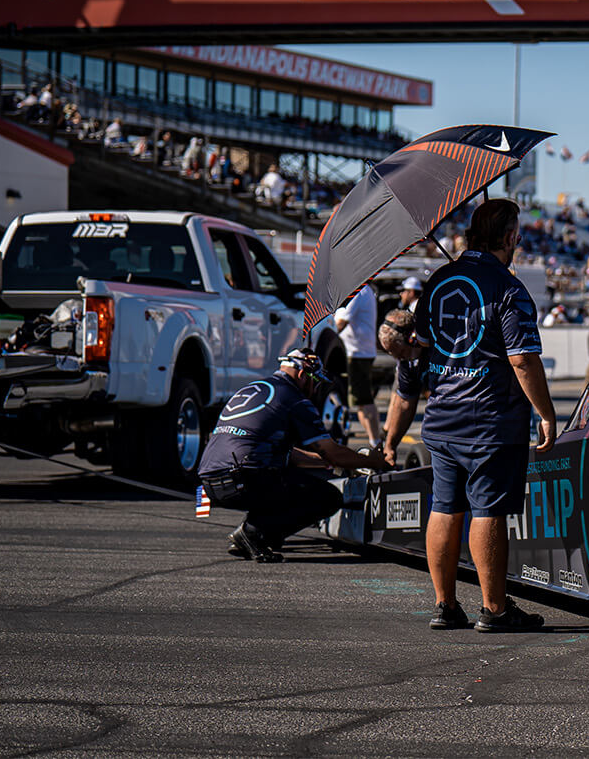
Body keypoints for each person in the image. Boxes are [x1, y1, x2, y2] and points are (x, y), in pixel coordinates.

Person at [381, 198, 557, 632]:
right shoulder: (508, 288)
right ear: (512, 236)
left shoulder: (438, 279)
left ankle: (445, 605)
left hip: (441, 417)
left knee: (444, 507)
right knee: (487, 512)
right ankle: (494, 609)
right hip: (490, 420)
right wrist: (547, 413)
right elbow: (522, 360)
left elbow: (420, 344)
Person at [196, 348, 390, 562]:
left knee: (281, 474)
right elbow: (332, 452)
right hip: (242, 477)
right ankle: (253, 534)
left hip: (209, 481)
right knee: (328, 497)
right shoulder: (294, 399)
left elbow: (284, 452)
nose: (315, 389)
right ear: (302, 375)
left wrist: (322, 463)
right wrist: (373, 460)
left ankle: (260, 532)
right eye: (315, 382)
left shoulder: (256, 388)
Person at [334, 283, 381, 449]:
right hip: (356, 352)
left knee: (362, 399)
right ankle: (375, 441)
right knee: (359, 400)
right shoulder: (360, 290)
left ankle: (376, 444)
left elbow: (341, 322)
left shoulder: (358, 291)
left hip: (357, 353)